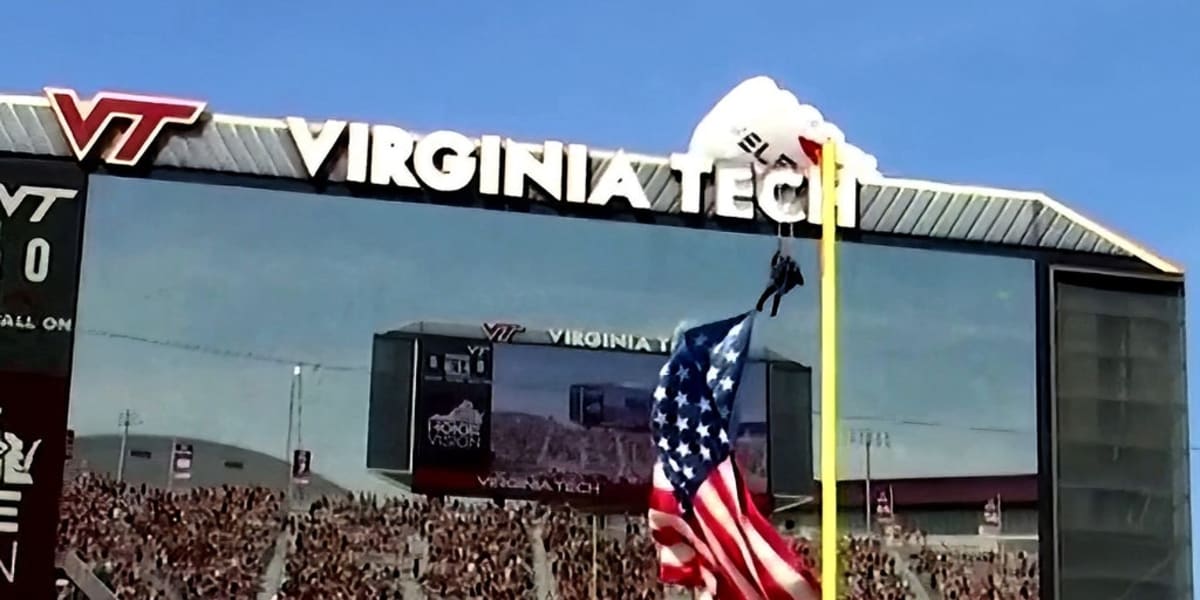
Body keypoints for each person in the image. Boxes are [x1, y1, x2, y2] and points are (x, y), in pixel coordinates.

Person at [756, 247, 805, 317]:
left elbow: (801, 282)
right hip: (778, 282)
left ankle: (773, 313)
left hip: (784, 286)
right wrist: (777, 255)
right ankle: (760, 305)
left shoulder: (794, 272)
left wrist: (796, 271)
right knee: (769, 291)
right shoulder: (782, 266)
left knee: (777, 295)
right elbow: (774, 264)